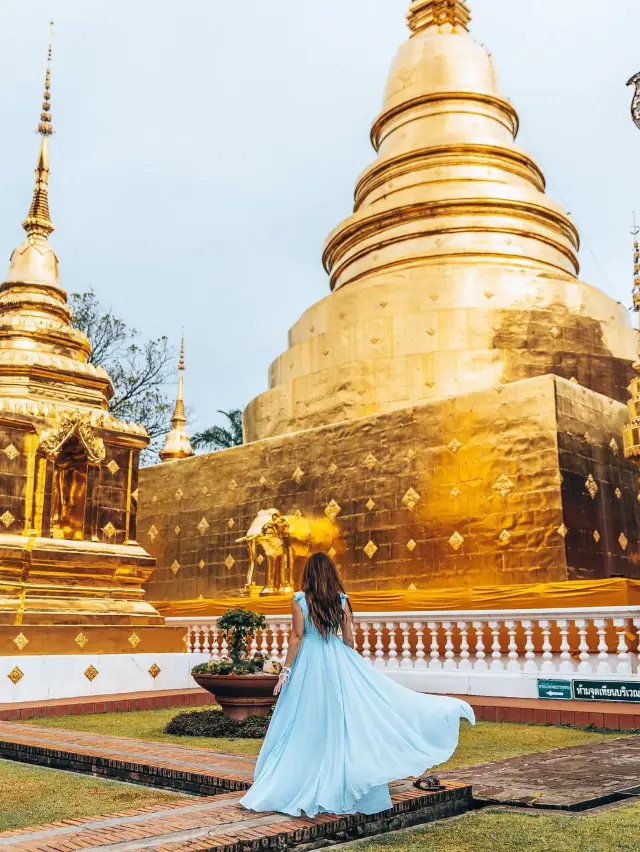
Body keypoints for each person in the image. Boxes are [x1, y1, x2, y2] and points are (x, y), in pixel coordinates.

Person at [239, 552, 475, 818]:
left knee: (304, 718)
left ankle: (298, 774)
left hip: (308, 664)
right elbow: (349, 638)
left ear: (309, 574)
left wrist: (285, 671)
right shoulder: (341, 600)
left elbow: (296, 637)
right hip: (335, 658)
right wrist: (346, 658)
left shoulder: (300, 599)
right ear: (331, 574)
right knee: (340, 718)